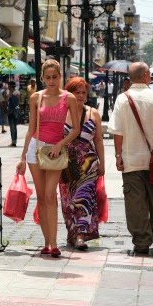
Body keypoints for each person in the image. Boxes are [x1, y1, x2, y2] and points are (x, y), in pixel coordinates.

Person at [16, 60, 82, 258]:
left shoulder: (68, 98)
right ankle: (47, 242)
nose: (52, 81)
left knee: (50, 194)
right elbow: (30, 130)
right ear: (43, 78)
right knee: (42, 197)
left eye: (55, 77)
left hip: (55, 151)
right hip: (35, 149)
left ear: (60, 76)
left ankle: (54, 243)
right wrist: (21, 157)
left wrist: (60, 145)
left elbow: (76, 129)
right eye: (48, 77)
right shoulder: (36, 97)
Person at [109, 62, 153, 255]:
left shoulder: (122, 99)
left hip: (131, 158)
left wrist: (118, 155)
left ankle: (142, 241)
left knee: (135, 201)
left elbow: (117, 131)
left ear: (130, 77)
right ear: (146, 76)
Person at [60, 77, 105, 249]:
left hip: (88, 164)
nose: (80, 96)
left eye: (83, 93)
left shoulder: (93, 113)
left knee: (84, 199)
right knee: (67, 202)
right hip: (65, 164)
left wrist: (102, 163)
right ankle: (71, 234)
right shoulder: (61, 112)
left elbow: (99, 140)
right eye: (76, 92)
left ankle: (80, 236)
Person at [7, 82, 20, 147]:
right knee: (13, 127)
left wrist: (11, 96)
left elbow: (16, 103)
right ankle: (13, 140)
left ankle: (14, 141)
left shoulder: (16, 93)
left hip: (14, 112)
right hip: (11, 111)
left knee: (13, 127)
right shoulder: (10, 93)